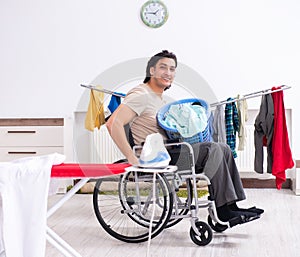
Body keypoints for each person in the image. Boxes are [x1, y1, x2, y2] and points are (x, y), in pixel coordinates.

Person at [106, 50, 263, 222]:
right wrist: (131, 157)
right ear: (152, 71)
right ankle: (224, 211)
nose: (168, 73)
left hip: (170, 152)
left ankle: (230, 207)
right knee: (213, 149)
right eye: (163, 67)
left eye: (172, 69)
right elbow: (113, 123)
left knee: (223, 148)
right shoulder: (141, 95)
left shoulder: (161, 100)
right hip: (155, 157)